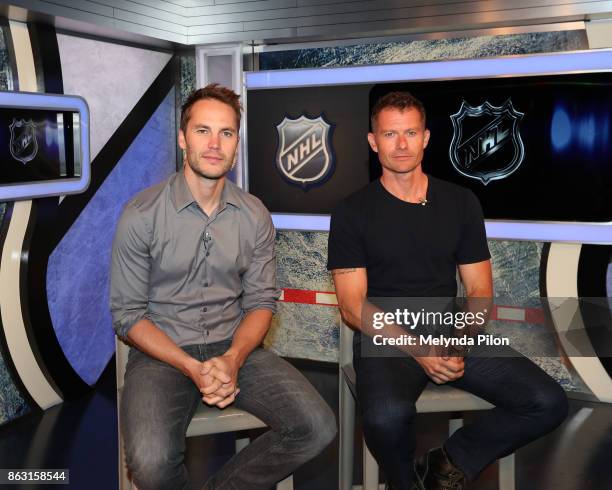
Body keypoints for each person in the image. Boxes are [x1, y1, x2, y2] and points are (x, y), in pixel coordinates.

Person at [327, 91, 568, 490]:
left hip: (451, 327)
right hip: (387, 337)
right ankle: (405, 484)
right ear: (373, 142)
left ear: (426, 137)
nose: (401, 145)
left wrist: (457, 343)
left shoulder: (460, 202)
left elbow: (479, 289)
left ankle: (449, 462)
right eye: (389, 134)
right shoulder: (352, 211)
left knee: (547, 402)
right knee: (386, 417)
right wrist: (422, 352)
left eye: (410, 133)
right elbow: (353, 307)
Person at [111, 84, 336, 490]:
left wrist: (231, 359)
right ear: (183, 138)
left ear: (237, 143)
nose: (214, 144)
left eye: (226, 133)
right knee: (150, 463)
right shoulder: (140, 215)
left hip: (236, 348)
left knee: (317, 426)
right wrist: (191, 367)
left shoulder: (254, 214)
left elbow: (262, 302)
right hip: (161, 354)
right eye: (202, 131)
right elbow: (127, 316)